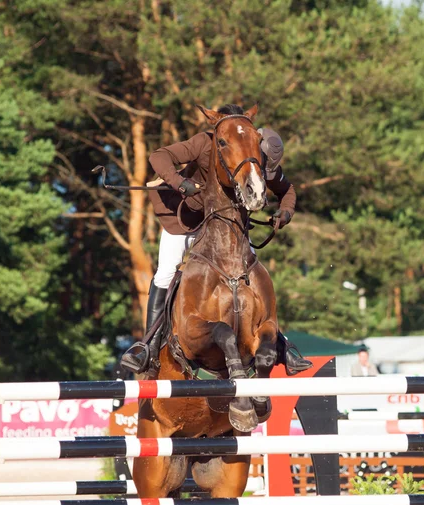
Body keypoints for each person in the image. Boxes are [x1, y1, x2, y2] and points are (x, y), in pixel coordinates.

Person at [123, 104, 312, 376]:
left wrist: (286, 212)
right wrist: (179, 182)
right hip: (185, 222)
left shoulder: (254, 157)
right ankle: (148, 346)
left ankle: (279, 343)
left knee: (254, 271)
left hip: (226, 228)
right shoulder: (204, 143)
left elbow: (287, 189)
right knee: (165, 273)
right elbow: (158, 156)